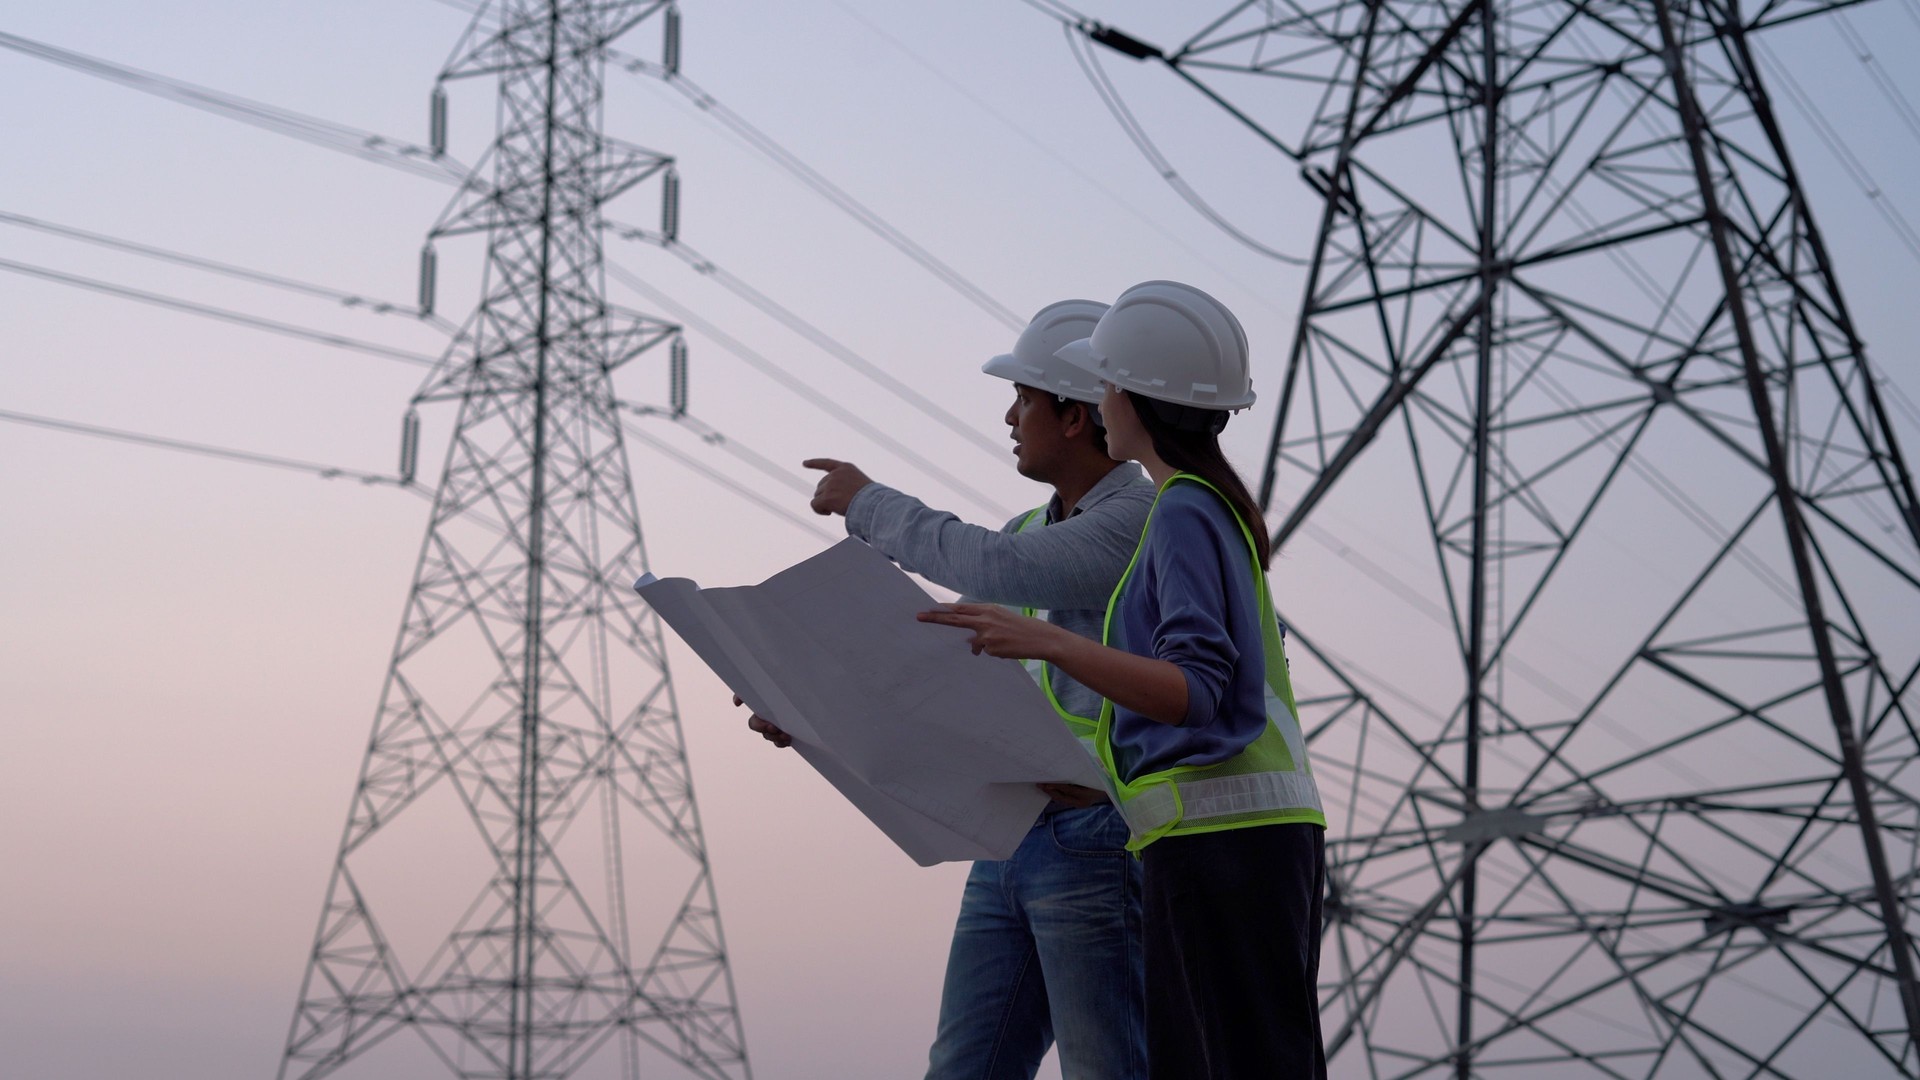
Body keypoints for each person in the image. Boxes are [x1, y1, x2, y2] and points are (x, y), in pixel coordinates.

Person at [919, 281, 1329, 1080]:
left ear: (1130, 398)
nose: (1097, 399)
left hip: (1207, 840)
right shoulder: (1197, 507)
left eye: (1103, 383)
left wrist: (1050, 642)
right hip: (1196, 837)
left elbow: (1198, 689)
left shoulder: (1176, 512)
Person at [741, 299, 1155, 1079]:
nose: (1010, 415)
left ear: (1072, 417)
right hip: (1016, 835)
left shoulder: (1140, 518)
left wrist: (867, 503)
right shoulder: (1038, 529)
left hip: (1099, 837)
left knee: (1111, 1070)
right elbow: (958, 689)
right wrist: (811, 708)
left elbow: (989, 572)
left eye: (1024, 398)